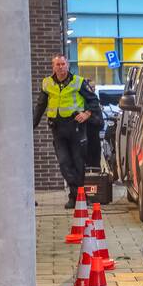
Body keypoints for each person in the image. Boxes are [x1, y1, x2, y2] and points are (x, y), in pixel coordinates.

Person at [33, 54, 100, 208]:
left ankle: (74, 197)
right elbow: (40, 106)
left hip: (76, 127)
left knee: (78, 163)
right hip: (57, 128)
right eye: (57, 64)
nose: (61, 67)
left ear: (67, 65)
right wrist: (32, 125)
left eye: (63, 64)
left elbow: (93, 101)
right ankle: (79, 195)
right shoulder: (47, 83)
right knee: (64, 163)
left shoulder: (79, 82)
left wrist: (87, 113)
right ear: (53, 66)